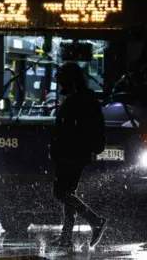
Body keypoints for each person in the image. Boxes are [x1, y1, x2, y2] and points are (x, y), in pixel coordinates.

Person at [49, 62, 108, 248]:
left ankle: (94, 220)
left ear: (70, 80)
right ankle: (66, 237)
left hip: (73, 153)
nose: (60, 87)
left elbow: (81, 127)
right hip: (72, 152)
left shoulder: (81, 99)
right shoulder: (78, 97)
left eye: (62, 82)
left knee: (59, 192)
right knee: (69, 193)